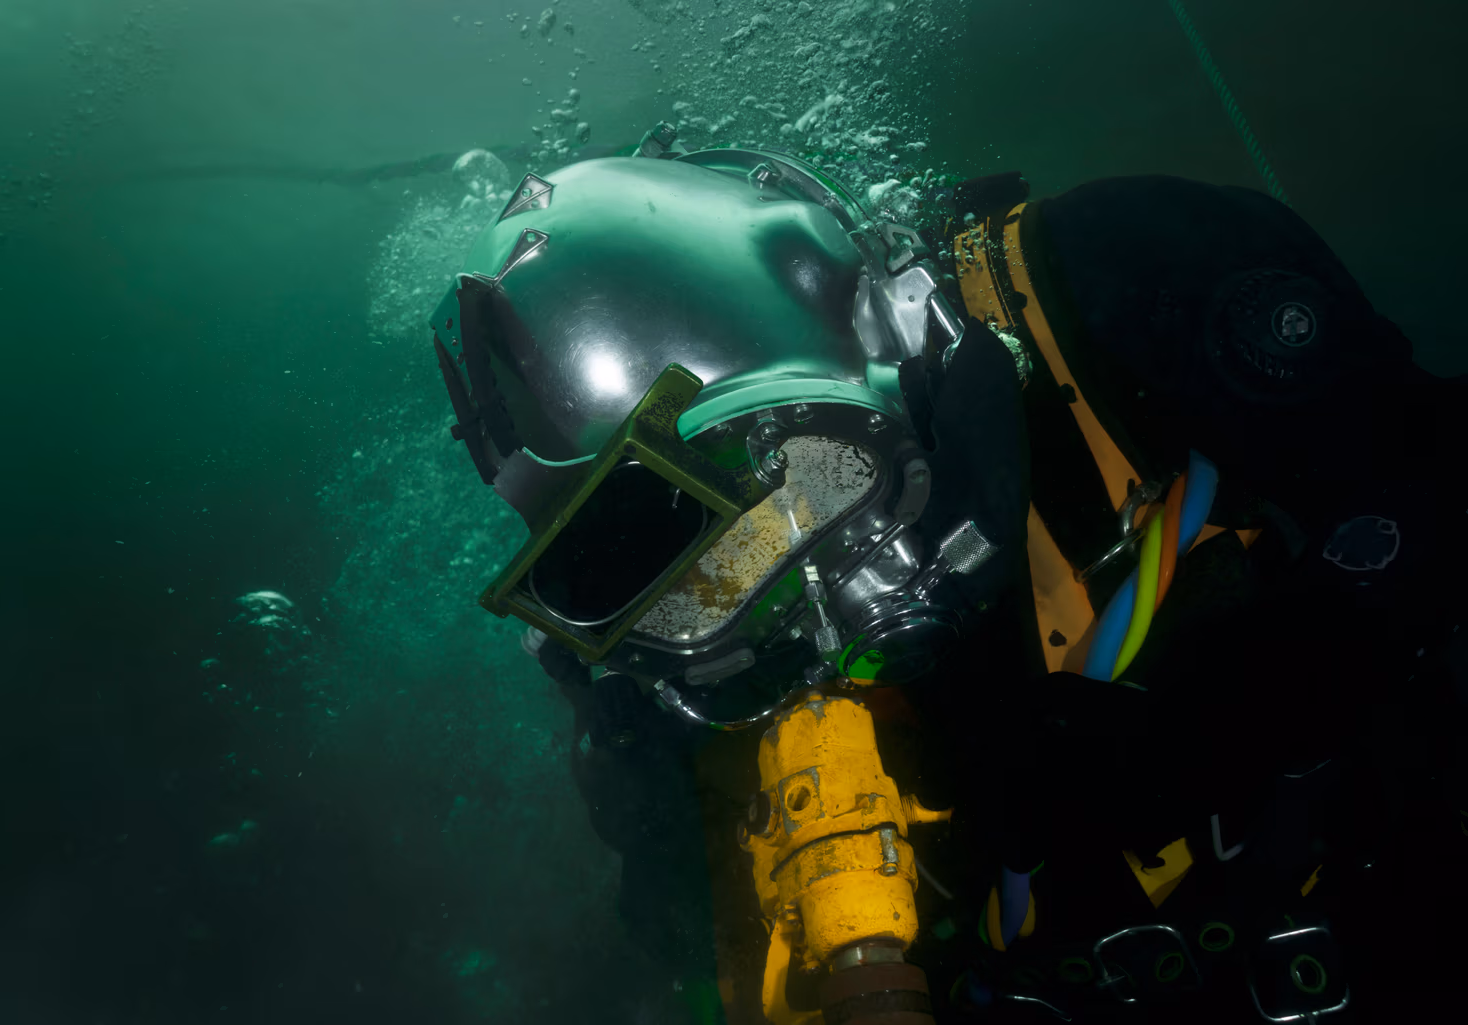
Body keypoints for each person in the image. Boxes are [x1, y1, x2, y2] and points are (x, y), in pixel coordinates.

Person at [430, 125, 1466, 1022]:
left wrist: (1212, 722)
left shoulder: (1113, 273)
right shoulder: (679, 674)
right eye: (680, 579)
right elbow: (681, 931)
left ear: (855, 352)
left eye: (803, 485)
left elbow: (1429, 489)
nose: (776, 592)